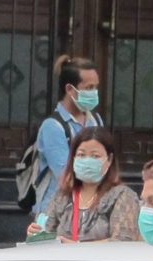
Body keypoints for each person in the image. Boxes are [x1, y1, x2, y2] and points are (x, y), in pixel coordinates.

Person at [25, 127, 139, 242]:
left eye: (95, 156)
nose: (87, 160)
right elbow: (46, 234)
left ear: (109, 159)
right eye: (81, 155)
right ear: (73, 158)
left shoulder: (122, 196)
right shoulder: (63, 196)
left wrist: (76, 247)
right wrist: (36, 233)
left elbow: (123, 241)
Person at [31, 55, 104, 216]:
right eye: (88, 88)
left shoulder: (95, 121)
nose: (94, 93)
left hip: (89, 210)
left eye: (95, 88)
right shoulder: (53, 127)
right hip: (55, 213)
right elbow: (65, 177)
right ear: (70, 89)